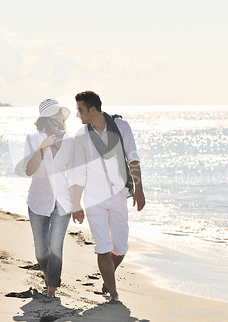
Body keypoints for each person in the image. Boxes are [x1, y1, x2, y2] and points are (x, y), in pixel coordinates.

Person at [71, 90, 145, 303]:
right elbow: (77, 172)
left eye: (80, 110)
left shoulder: (121, 127)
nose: (78, 115)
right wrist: (76, 203)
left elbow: (133, 159)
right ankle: (113, 295)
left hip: (119, 194)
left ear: (92, 110)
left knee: (120, 248)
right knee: (103, 247)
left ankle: (107, 278)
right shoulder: (81, 136)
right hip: (94, 199)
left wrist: (138, 190)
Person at [21, 98, 79, 298]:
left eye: (61, 113)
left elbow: (74, 175)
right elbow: (29, 170)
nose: (60, 117)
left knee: (55, 247)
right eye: (56, 113)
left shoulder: (70, 141)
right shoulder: (33, 138)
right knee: (41, 252)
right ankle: (48, 275)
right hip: (38, 201)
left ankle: (51, 290)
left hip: (63, 202)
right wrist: (43, 148)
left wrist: (78, 204)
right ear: (46, 118)